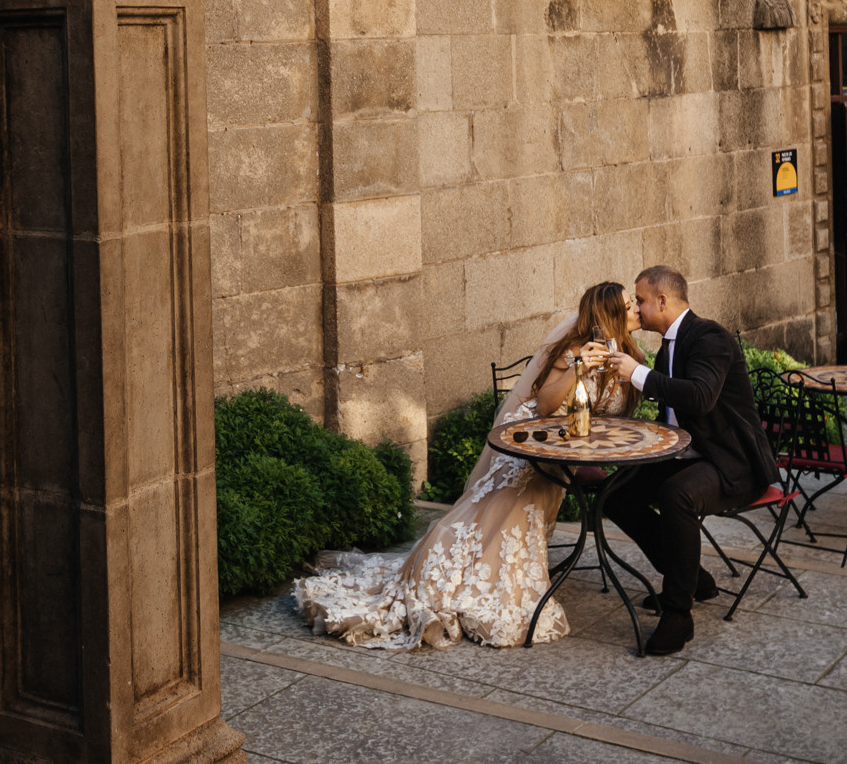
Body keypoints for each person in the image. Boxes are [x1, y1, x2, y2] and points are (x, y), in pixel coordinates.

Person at [292, 282, 640, 650]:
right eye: (629, 304)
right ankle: (455, 575)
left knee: (520, 510)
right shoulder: (576, 351)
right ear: (609, 316)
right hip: (533, 437)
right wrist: (578, 368)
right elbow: (543, 405)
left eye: (635, 301)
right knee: (505, 505)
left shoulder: (630, 354)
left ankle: (482, 569)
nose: (635, 307)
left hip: (571, 444)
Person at [584, 265, 779, 657]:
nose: (636, 309)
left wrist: (637, 373)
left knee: (678, 495)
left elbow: (700, 397)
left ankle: (678, 614)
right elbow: (668, 408)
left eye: (640, 301)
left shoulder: (709, 337)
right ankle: (694, 579)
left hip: (733, 464)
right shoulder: (668, 347)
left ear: (662, 301)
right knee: (616, 494)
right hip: (688, 456)